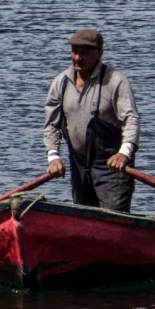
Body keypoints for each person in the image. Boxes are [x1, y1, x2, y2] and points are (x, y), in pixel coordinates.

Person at [43, 28, 140, 212]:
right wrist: (53, 156)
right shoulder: (60, 82)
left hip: (112, 169)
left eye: (84, 53)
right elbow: (51, 125)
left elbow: (131, 119)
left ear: (99, 53)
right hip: (79, 166)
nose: (77, 58)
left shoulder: (115, 81)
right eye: (74, 52)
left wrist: (124, 154)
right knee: (84, 222)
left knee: (114, 222)